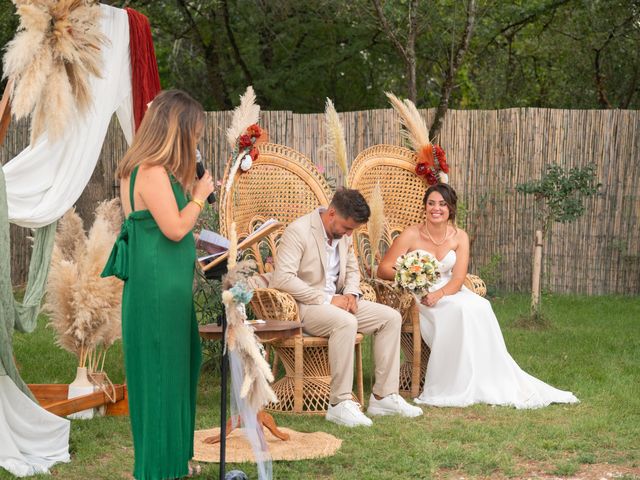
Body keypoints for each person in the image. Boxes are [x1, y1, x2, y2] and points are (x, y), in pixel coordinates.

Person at [377, 183, 579, 409]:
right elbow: (384, 268)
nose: (436, 209)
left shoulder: (459, 237)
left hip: (447, 290)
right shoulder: (411, 234)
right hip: (419, 295)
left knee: (481, 306)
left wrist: (440, 293)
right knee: (461, 310)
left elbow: (458, 278)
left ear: (450, 208)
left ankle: (486, 376)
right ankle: (453, 382)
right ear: (424, 206)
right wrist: (410, 276)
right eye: (431, 203)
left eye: (442, 204)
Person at [102, 90, 214, 479]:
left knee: (179, 367)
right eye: (194, 135)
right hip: (157, 291)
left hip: (168, 286)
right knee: (161, 373)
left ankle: (174, 460)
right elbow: (175, 227)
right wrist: (199, 196)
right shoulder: (149, 171)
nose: (196, 143)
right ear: (177, 131)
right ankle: (157, 468)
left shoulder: (151, 171)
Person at [270, 188, 423, 427]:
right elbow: (283, 279)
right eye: (347, 227)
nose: (350, 234)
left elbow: (352, 268)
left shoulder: (344, 234)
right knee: (346, 322)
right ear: (332, 213)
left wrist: (352, 292)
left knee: (391, 317)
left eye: (353, 229)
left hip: (340, 302)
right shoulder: (298, 231)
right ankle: (339, 404)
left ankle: (384, 397)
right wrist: (327, 299)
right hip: (306, 306)